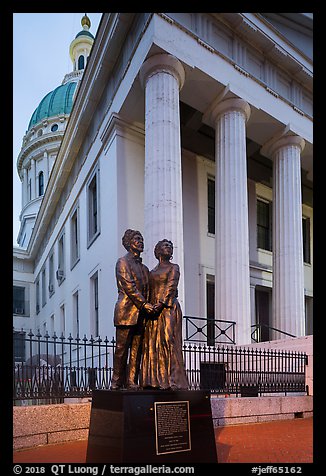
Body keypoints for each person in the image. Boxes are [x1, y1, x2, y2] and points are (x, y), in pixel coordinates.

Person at [140, 239, 189, 390]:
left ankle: (173, 380)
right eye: (165, 245)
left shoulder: (174, 267)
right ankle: (155, 381)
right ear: (158, 250)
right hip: (154, 313)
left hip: (168, 308)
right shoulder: (151, 272)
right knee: (153, 344)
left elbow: (171, 287)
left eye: (170, 246)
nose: (169, 247)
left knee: (169, 341)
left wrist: (160, 304)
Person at [111, 229, 155, 390]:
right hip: (126, 312)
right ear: (129, 243)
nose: (141, 241)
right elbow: (129, 287)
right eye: (137, 238)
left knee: (137, 349)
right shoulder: (122, 262)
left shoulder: (144, 269)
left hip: (142, 315)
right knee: (121, 349)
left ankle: (131, 381)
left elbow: (149, 290)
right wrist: (145, 304)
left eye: (142, 238)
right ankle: (116, 382)